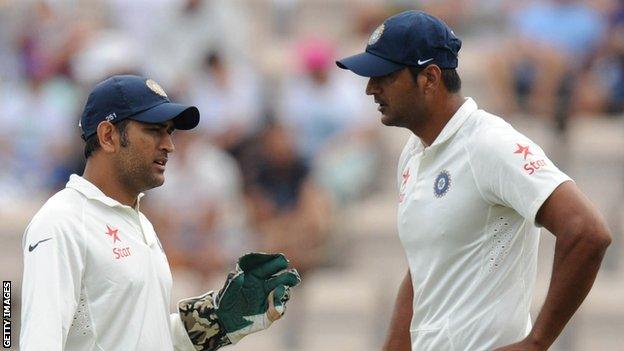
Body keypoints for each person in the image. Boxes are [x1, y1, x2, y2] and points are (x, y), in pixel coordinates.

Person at [336, 10, 611, 351]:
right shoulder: (412, 153)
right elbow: (425, 268)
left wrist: (536, 343)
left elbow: (587, 231)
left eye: (384, 76)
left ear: (430, 78)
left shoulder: (490, 144)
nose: (370, 88)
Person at [20, 75, 301, 351]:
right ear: (108, 136)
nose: (169, 145)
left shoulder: (140, 222)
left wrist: (220, 318)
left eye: (169, 132)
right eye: (154, 130)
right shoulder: (61, 222)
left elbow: (142, 335)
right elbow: (39, 342)